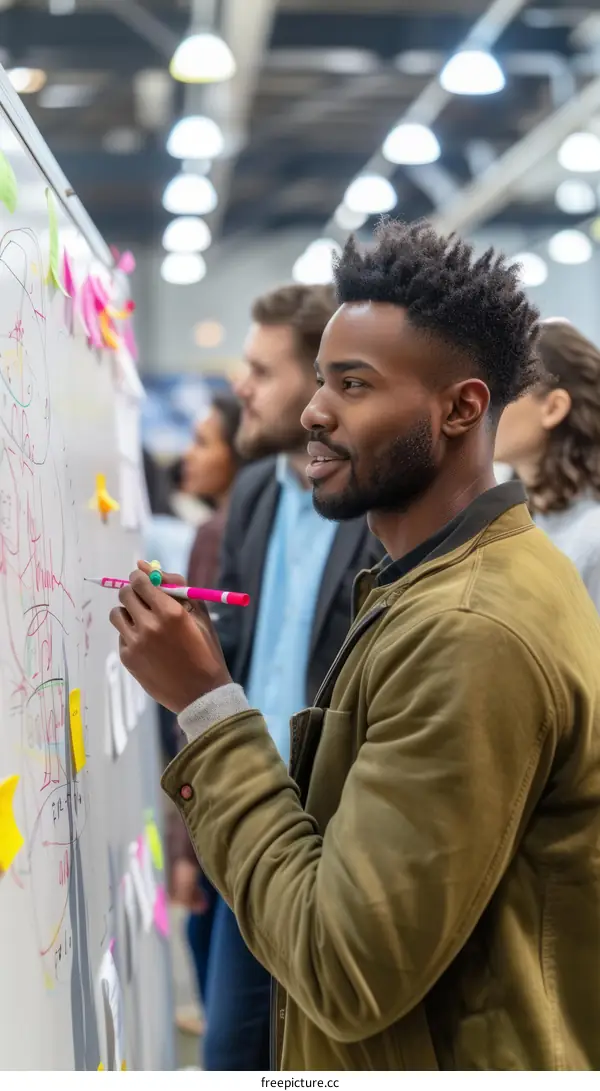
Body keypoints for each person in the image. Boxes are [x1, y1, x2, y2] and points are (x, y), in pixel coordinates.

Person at [111, 221, 600, 1071]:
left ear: (462, 407)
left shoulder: (468, 631)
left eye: (354, 384)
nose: (313, 409)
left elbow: (342, 967)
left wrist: (208, 705)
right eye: (321, 380)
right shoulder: (437, 583)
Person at [186, 283, 380, 1069]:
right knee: (233, 1057)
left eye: (261, 370)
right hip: (251, 812)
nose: (241, 386)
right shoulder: (255, 493)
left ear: (319, 386)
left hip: (343, 841)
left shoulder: (381, 503)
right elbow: (233, 648)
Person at [167, 394, 243, 1033]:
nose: (187, 457)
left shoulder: (218, 534)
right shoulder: (217, 530)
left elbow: (201, 694)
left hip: (229, 800)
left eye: (203, 441)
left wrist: (184, 844)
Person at [495, 317, 600, 611]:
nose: (482, 404)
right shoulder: (521, 527)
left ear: (553, 407)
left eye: (504, 388)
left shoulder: (593, 537)